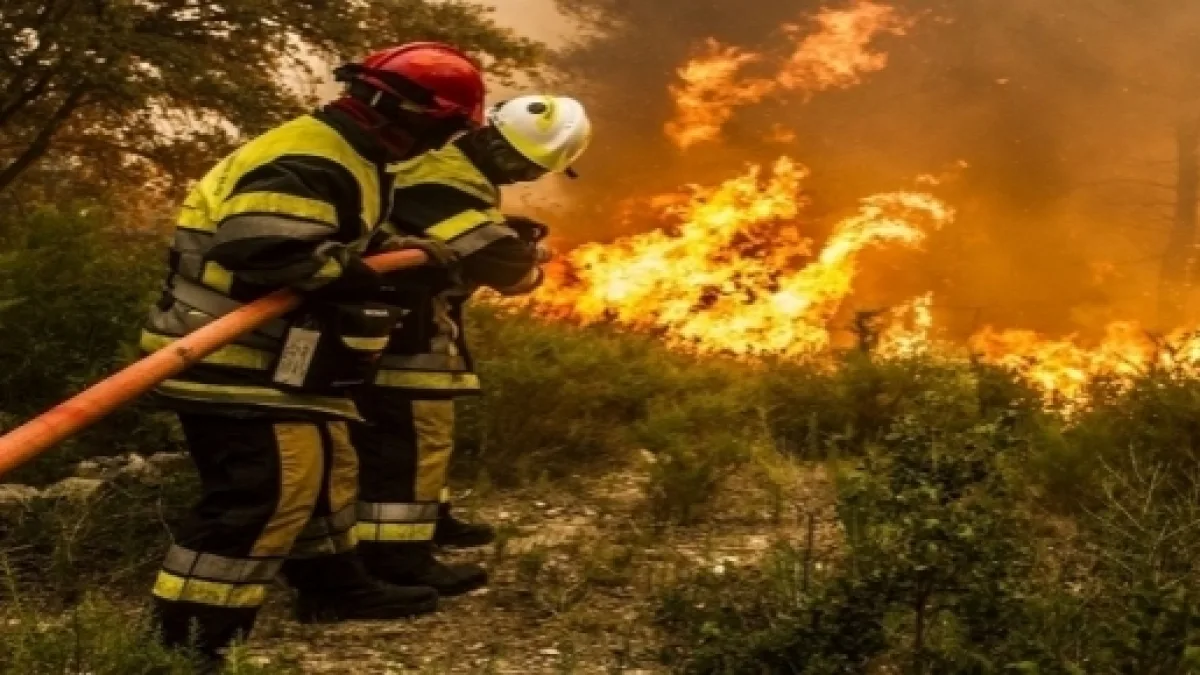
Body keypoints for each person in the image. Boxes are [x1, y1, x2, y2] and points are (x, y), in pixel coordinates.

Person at [137, 43, 487, 664]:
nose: (441, 144)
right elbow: (265, 250)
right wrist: (375, 274)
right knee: (270, 492)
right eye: (445, 130)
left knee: (329, 468)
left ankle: (333, 587)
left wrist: (395, 250)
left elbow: (330, 233)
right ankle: (186, 642)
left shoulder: (353, 154)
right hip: (230, 352)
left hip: (282, 356)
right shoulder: (311, 156)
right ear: (409, 116)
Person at [349, 95, 592, 596]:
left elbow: (459, 237)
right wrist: (526, 258)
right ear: (499, 147)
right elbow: (502, 267)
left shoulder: (450, 167)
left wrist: (502, 234)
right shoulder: (445, 179)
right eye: (524, 166)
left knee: (423, 437)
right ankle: (398, 558)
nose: (523, 176)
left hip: (406, 319)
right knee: (411, 440)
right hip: (401, 328)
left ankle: (431, 519)